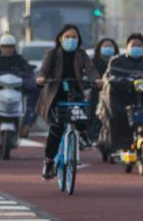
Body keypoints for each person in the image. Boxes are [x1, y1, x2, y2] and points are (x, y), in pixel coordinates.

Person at [35, 24, 99, 179]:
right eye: (67, 37)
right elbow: (44, 69)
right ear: (60, 38)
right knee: (56, 129)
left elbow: (91, 70)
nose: (71, 40)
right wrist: (42, 78)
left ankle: (83, 135)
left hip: (74, 91)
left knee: (79, 112)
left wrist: (97, 79)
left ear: (79, 40)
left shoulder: (82, 55)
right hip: (55, 94)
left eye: (74, 37)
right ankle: (49, 162)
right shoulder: (52, 54)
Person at [98, 33, 143, 155]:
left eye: (139, 45)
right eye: (133, 45)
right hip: (122, 101)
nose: (136, 48)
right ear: (127, 47)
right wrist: (128, 84)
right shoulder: (117, 63)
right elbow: (112, 80)